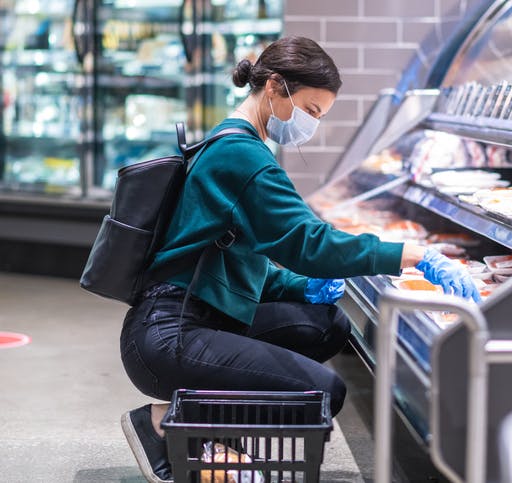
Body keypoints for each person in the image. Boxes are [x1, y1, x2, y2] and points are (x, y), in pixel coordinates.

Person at [119, 36, 480, 483]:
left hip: (194, 318)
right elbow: (309, 244)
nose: (311, 125)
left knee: (327, 325)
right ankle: (163, 421)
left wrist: (299, 287)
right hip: (169, 335)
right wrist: (413, 255)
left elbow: (235, 263)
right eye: (310, 110)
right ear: (274, 85)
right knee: (324, 390)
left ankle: (211, 435)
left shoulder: (233, 143)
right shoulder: (243, 157)